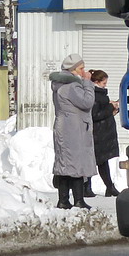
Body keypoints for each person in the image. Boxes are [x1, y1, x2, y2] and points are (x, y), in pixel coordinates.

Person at [49, 53, 97, 209]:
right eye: (81, 68)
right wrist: (88, 83)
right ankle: (78, 200)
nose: (84, 72)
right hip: (74, 129)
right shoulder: (71, 85)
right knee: (77, 164)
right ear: (74, 69)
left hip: (65, 126)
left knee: (65, 164)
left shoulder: (59, 84)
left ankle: (63, 200)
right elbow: (87, 102)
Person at [89, 69, 121, 198]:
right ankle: (108, 187)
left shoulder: (99, 94)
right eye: (104, 83)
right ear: (96, 82)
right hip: (99, 133)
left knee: (101, 161)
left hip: (102, 133)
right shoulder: (95, 95)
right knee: (99, 161)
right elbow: (95, 115)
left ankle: (108, 187)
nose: (105, 85)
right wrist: (110, 107)